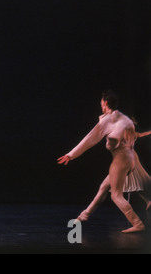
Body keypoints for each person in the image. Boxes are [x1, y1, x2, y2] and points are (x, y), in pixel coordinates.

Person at [57, 90, 146, 233]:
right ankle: (84, 215)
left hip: (121, 160)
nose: (100, 104)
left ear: (105, 103)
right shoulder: (125, 119)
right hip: (130, 159)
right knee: (104, 187)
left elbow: (89, 139)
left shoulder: (108, 120)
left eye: (101, 102)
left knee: (116, 195)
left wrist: (71, 154)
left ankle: (138, 224)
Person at [76, 129, 151, 222]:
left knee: (111, 191)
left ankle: (85, 214)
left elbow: (111, 143)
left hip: (124, 162)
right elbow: (141, 134)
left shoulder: (121, 133)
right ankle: (147, 202)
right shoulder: (128, 133)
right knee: (132, 184)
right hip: (128, 160)